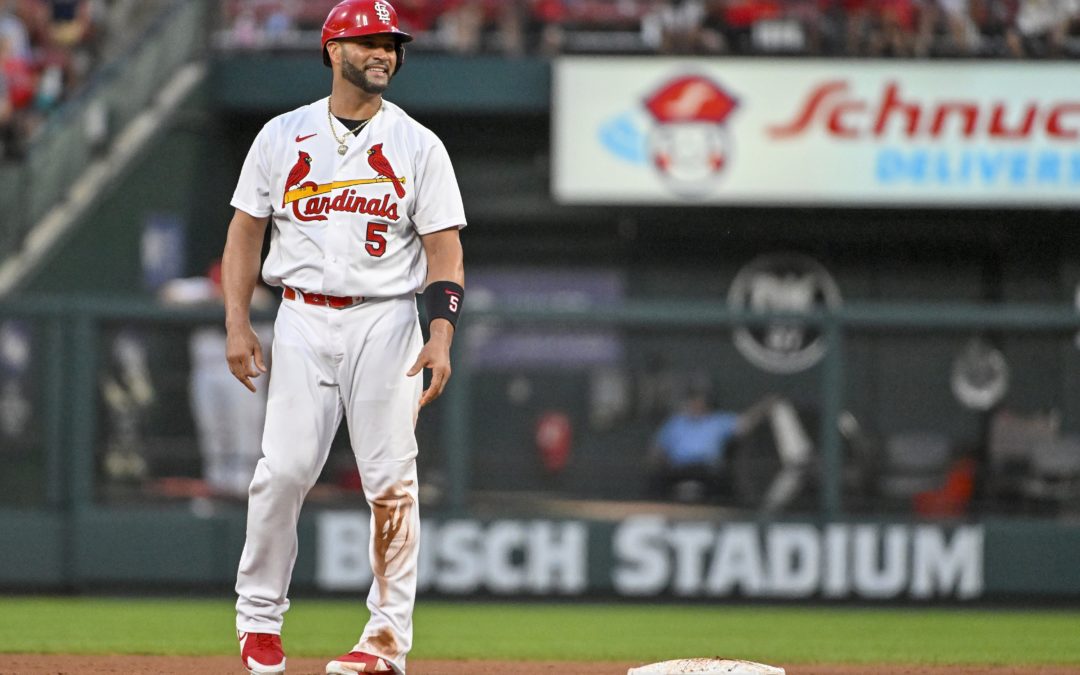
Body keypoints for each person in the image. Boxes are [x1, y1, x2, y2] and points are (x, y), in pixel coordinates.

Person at [222, 1, 467, 673]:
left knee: (392, 482)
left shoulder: (419, 145)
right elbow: (245, 231)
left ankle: (385, 641)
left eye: (392, 43)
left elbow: (445, 252)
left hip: (386, 318)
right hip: (300, 315)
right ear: (334, 50)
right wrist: (237, 320)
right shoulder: (282, 135)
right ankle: (259, 620)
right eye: (369, 41)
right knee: (283, 471)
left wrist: (440, 333)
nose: (384, 52)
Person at [158, 260, 274, 501]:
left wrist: (233, 297)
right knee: (212, 434)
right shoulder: (204, 293)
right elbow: (168, 295)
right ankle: (217, 490)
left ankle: (247, 494)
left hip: (244, 373)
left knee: (244, 436)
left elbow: (264, 306)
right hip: (208, 370)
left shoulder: (257, 298)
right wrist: (211, 294)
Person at [647, 381, 775, 503]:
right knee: (656, 481)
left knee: (726, 485)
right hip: (679, 470)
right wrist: (659, 463)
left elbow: (744, 423)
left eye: (700, 400)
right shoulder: (676, 422)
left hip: (707, 470)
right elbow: (659, 448)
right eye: (693, 400)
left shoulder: (717, 421)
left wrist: (764, 406)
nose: (696, 404)